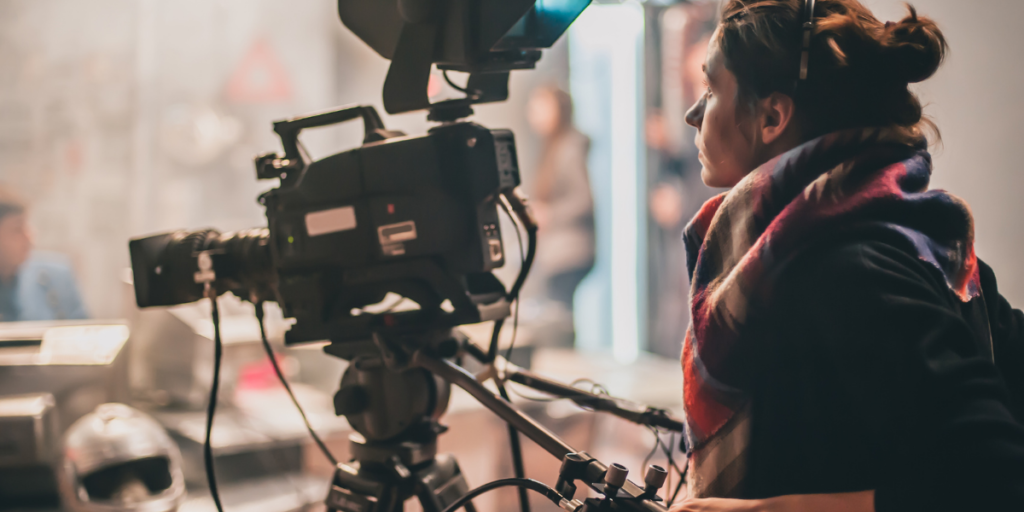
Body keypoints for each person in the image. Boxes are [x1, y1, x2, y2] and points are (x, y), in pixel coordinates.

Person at [669, 1, 1024, 511]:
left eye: (711, 89)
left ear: (772, 116)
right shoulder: (919, 239)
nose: (692, 113)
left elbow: (997, 482)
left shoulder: (847, 271)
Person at [524, 85, 595, 347]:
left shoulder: (568, 148)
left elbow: (583, 200)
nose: (533, 114)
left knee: (560, 322)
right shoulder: (553, 147)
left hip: (570, 252)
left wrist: (548, 215)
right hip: (559, 252)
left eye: (540, 106)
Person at [0, 187, 88, 322]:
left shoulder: (56, 277)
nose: (29, 238)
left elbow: (85, 333)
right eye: (17, 230)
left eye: (27, 226)